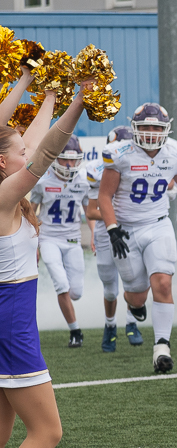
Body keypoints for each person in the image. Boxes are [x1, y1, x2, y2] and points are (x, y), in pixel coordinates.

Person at [0, 78, 89, 448]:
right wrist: (78, 102)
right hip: (10, 321)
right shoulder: (3, 196)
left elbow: (30, 142)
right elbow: (45, 152)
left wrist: (46, 89)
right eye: (17, 150)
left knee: (0, 432)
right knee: (48, 431)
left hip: (4, 315)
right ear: (2, 162)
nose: (26, 150)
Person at [99, 103, 177, 373]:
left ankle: (161, 348)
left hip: (158, 225)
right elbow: (104, 196)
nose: (151, 132)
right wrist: (112, 228)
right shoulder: (120, 154)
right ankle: (135, 306)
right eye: (145, 127)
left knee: (163, 283)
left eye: (156, 127)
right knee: (137, 296)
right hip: (127, 228)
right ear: (135, 129)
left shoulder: (176, 152)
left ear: (166, 129)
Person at [85, 126, 142, 352]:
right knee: (110, 287)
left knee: (134, 279)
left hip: (132, 229)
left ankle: (132, 323)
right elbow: (91, 211)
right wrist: (114, 218)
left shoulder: (141, 165)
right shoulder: (97, 169)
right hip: (106, 231)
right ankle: (110, 326)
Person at [30, 136, 89, 347]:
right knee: (61, 284)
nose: (68, 164)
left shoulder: (83, 181)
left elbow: (90, 212)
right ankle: (75, 331)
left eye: (73, 160)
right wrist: (33, 243)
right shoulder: (44, 180)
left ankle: (71, 318)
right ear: (55, 158)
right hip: (49, 238)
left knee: (77, 292)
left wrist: (95, 235)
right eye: (64, 159)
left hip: (73, 239)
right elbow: (31, 212)